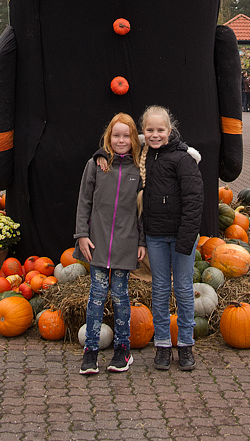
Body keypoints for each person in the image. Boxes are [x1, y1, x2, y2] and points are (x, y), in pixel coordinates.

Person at [74, 112, 145, 375]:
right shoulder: (96, 165)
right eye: (116, 135)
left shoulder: (139, 169)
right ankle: (90, 351)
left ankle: (122, 350)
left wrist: (142, 241)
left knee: (120, 296)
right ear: (108, 137)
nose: (121, 140)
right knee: (96, 297)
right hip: (98, 242)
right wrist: (82, 234)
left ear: (134, 139)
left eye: (126, 135)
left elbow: (143, 211)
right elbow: (84, 202)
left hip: (126, 242)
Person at [139, 105, 204, 372]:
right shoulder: (144, 157)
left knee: (184, 290)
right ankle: (163, 345)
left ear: (170, 130)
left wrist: (186, 239)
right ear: (144, 132)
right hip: (155, 236)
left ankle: (186, 345)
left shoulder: (183, 158)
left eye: (160, 130)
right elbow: (112, 149)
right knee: (160, 290)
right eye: (150, 130)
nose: (155, 135)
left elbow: (194, 200)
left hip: (180, 236)